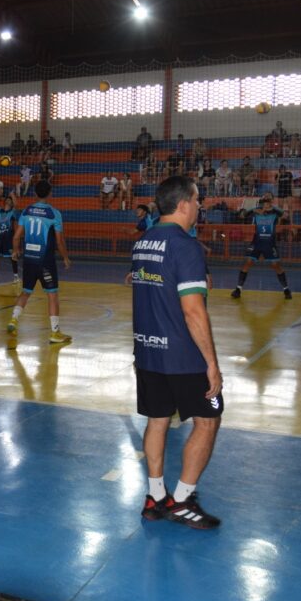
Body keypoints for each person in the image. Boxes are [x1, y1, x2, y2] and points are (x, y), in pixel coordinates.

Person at [128, 175, 224, 529]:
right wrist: (211, 363)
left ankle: (155, 496)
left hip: (148, 351)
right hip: (183, 355)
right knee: (207, 420)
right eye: (197, 200)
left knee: (157, 420)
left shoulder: (142, 243)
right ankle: (182, 500)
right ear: (183, 204)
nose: (199, 206)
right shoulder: (186, 247)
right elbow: (193, 310)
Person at [7, 180, 72, 344]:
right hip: (45, 262)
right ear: (50, 193)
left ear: (35, 194)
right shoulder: (54, 214)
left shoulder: (27, 210)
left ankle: (13, 320)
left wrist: (15, 251)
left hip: (29, 259)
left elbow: (16, 236)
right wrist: (65, 257)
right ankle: (55, 332)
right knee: (52, 295)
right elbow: (59, 241)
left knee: (26, 292)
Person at [230, 195, 292, 299]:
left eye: (268, 202)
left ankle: (286, 289)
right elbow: (241, 216)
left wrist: (273, 209)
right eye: (264, 202)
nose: (266, 204)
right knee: (248, 262)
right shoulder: (256, 211)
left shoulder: (275, 212)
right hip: (257, 242)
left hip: (269, 243)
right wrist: (251, 209)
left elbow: (286, 216)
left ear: (271, 202)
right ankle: (238, 289)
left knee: (275, 265)